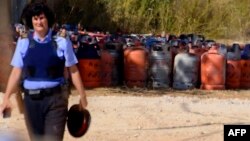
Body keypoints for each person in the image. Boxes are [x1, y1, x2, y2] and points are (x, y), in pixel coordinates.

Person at [0, 2, 88, 141]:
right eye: (35, 19)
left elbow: (73, 70)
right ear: (31, 21)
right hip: (31, 102)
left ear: (48, 19)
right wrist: (6, 98)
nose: (38, 22)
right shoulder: (24, 42)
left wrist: (82, 96)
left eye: (41, 18)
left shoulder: (61, 41)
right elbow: (16, 71)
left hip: (56, 101)